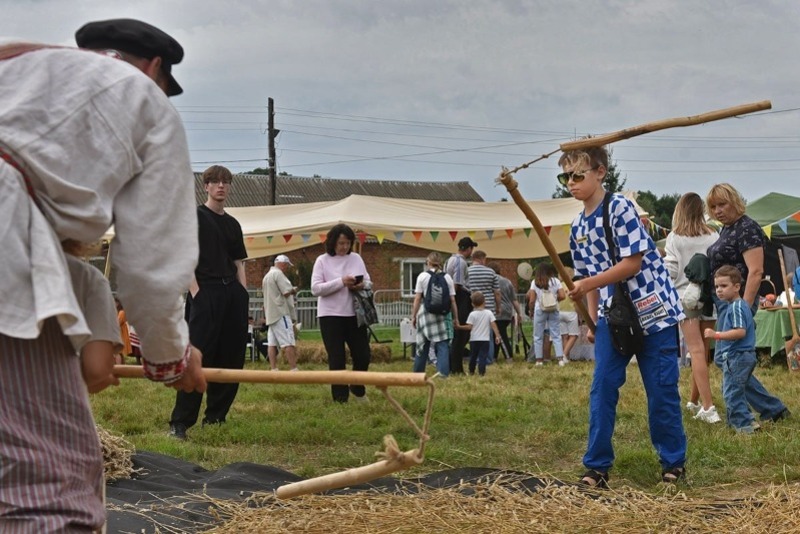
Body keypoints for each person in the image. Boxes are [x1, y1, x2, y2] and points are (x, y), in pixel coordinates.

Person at [0, 18, 205, 531]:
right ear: (155, 68)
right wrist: (171, 358)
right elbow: (152, 267)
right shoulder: (144, 98)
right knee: (46, 480)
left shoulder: (18, 59)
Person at [561, 145, 686, 487]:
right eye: (565, 177)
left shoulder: (620, 208)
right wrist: (592, 320)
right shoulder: (577, 228)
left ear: (600, 172)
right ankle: (597, 467)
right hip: (612, 319)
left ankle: (673, 463)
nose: (571, 183)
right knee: (602, 387)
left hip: (653, 312)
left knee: (661, 390)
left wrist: (586, 282)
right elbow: (587, 282)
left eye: (577, 175)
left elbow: (632, 264)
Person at [169, 165, 249, 440]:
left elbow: (238, 261)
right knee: (196, 357)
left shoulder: (233, 224)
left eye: (226, 182)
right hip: (205, 291)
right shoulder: (195, 218)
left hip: (232, 294)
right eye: (215, 182)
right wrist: (196, 291)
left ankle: (216, 417)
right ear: (206, 186)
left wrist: (243, 293)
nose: (221, 186)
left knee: (232, 357)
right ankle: (180, 423)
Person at [704, 266, 790, 433]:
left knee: (732, 392)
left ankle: (744, 424)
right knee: (738, 388)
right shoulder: (739, 306)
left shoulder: (736, 307)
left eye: (724, 286)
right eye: (717, 287)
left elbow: (740, 332)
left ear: (737, 287)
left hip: (737, 356)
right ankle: (769, 412)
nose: (719, 290)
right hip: (742, 357)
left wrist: (717, 335)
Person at [663, 192, 721, 424]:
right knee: (703, 351)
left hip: (685, 299)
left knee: (695, 351)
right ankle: (694, 401)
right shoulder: (714, 235)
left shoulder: (674, 237)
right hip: (709, 297)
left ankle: (708, 407)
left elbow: (672, 272)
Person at [311, 224, 372, 402]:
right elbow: (315, 289)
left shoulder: (356, 258)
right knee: (337, 358)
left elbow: (369, 282)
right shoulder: (322, 260)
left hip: (354, 314)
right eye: (340, 243)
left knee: (363, 355)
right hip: (330, 316)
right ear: (332, 243)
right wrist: (341, 282)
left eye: (347, 243)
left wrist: (362, 285)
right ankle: (340, 398)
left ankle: (357, 386)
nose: (344, 247)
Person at [706, 183, 765, 315]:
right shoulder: (727, 228)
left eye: (722, 204)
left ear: (734, 202)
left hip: (737, 300)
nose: (717, 211)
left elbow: (756, 271)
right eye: (713, 207)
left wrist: (743, 308)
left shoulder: (746, 228)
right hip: (725, 299)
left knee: (733, 335)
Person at [411, 251, 459, 377]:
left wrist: (414, 316)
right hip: (442, 315)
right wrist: (456, 318)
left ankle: (417, 373)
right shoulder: (447, 278)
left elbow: (417, 298)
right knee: (442, 344)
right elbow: (453, 300)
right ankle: (443, 373)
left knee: (423, 343)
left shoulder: (422, 276)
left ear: (428, 262)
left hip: (425, 314)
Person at [445, 236, 478, 374]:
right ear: (468, 248)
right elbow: (457, 283)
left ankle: (454, 365)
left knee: (458, 335)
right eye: (471, 248)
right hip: (460, 297)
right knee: (462, 333)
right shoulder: (461, 262)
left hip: (455, 297)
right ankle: (456, 368)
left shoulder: (449, 260)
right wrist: (455, 302)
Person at [263, 254, 299, 371]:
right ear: (283, 264)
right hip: (281, 313)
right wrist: (294, 290)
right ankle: (293, 368)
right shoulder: (278, 274)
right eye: (287, 265)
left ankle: (273, 368)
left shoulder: (267, 276)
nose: (287, 268)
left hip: (270, 314)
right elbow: (286, 292)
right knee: (288, 341)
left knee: (272, 343)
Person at [528, 262, 566, 366]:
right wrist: (553, 300)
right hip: (554, 309)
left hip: (539, 310)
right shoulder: (555, 281)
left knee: (538, 335)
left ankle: (539, 360)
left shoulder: (535, 282)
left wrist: (531, 311)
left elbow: (532, 300)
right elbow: (563, 296)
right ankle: (560, 359)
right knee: (556, 334)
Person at [467, 250, 501, 363]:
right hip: (488, 307)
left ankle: (475, 357)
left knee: (474, 334)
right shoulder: (491, 272)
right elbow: (497, 292)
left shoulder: (467, 271)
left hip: (472, 307)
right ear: (482, 259)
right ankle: (487, 359)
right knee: (488, 336)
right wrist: (498, 306)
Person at [458, 291, 501, 376]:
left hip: (474, 339)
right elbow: (493, 325)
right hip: (485, 340)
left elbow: (469, 327)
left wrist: (459, 327)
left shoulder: (472, 314)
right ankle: (481, 372)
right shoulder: (489, 313)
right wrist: (497, 335)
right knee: (483, 357)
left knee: (473, 356)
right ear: (484, 301)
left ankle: (471, 371)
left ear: (472, 304)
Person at [489, 261, 523, 362]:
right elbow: (514, 300)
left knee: (500, 334)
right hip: (507, 312)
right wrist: (519, 313)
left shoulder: (491, 281)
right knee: (498, 334)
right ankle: (494, 356)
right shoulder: (507, 281)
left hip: (497, 311)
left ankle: (508, 356)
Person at [115, 297, 132, 364]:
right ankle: (121, 364)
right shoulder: (118, 311)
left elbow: (118, 322)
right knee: (119, 352)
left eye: (115, 302)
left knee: (118, 351)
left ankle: (119, 365)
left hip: (121, 334)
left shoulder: (122, 312)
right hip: (119, 333)